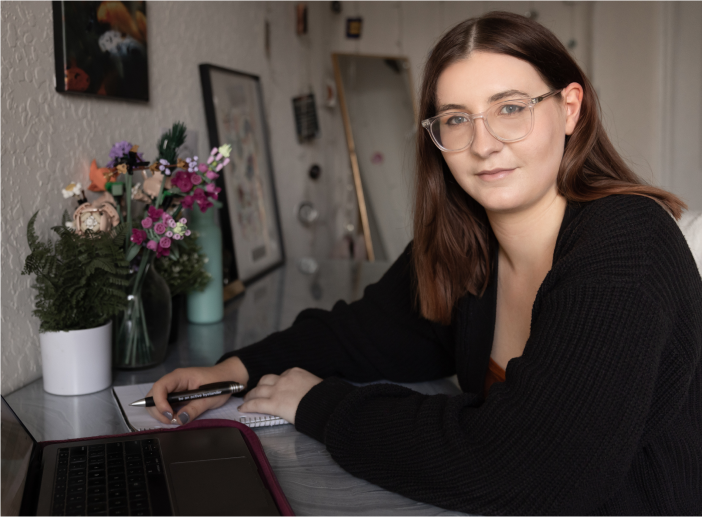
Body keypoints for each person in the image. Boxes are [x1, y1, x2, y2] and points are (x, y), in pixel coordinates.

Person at [148, 11, 702, 516]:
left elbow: (532, 470)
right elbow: (362, 333)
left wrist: (322, 405)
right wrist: (238, 370)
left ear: (570, 110)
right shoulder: (469, 243)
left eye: (510, 108)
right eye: (457, 119)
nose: (483, 144)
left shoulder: (627, 245)